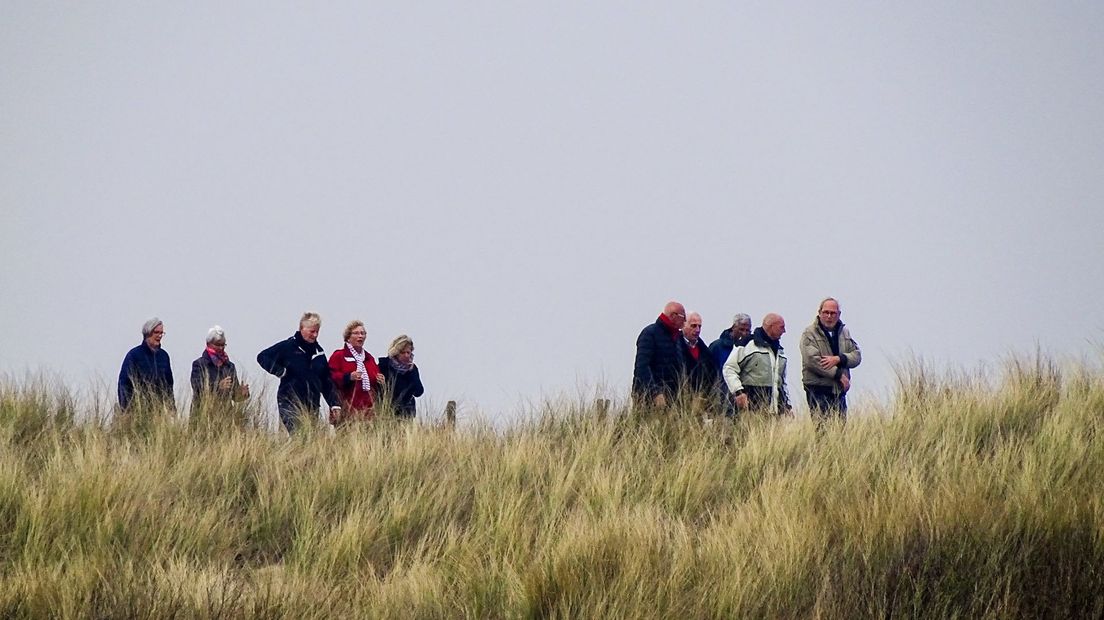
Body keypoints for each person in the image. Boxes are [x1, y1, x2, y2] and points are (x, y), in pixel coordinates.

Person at [257, 312, 343, 432]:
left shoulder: (319, 353)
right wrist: (279, 371)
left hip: (312, 404)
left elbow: (326, 382)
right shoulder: (288, 346)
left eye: (317, 331)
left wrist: (334, 404)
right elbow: (262, 357)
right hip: (289, 401)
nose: (315, 335)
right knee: (297, 433)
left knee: (309, 439)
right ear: (302, 328)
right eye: (312, 331)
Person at [800, 297, 862, 427]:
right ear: (819, 313)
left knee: (839, 430)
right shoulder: (809, 333)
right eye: (826, 312)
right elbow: (812, 360)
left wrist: (839, 359)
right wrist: (839, 375)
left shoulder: (844, 333)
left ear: (839, 314)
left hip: (839, 391)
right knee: (822, 429)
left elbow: (856, 356)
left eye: (833, 313)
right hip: (818, 388)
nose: (829, 316)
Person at [723, 313, 792, 417]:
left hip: (774, 413)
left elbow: (781, 382)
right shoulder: (747, 344)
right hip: (749, 410)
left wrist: (787, 406)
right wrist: (738, 392)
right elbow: (729, 368)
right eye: (781, 327)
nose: (784, 331)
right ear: (771, 326)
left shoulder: (780, 351)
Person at [632, 301, 688, 409]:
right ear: (673, 316)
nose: (685, 321)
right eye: (683, 317)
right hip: (648, 399)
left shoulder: (678, 338)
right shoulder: (650, 334)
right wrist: (655, 393)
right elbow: (642, 368)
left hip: (672, 398)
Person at [189, 325, 250, 424]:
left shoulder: (229, 366)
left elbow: (234, 396)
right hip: (203, 417)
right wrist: (218, 386)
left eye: (223, 345)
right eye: (218, 344)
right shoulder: (199, 364)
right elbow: (197, 388)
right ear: (208, 344)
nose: (221, 348)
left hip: (226, 418)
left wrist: (242, 394)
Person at [328, 320, 385, 423]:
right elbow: (331, 377)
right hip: (346, 408)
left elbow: (375, 378)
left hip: (368, 411)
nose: (360, 336)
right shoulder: (339, 356)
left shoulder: (369, 358)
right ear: (348, 337)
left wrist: (380, 380)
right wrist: (348, 377)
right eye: (356, 333)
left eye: (363, 333)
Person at [117, 317, 174, 412]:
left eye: (161, 333)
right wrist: (126, 408)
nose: (159, 336)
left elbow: (169, 385)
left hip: (157, 411)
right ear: (148, 333)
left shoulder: (164, 356)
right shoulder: (134, 355)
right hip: (137, 409)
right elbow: (124, 383)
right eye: (156, 332)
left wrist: (171, 408)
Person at [708, 313, 752, 416]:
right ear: (733, 328)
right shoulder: (717, 347)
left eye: (747, 330)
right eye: (741, 329)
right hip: (720, 398)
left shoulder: (750, 349)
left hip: (742, 399)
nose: (744, 333)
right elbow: (709, 372)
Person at [682, 311, 722, 415]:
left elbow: (712, 375)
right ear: (683, 325)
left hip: (701, 400)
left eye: (699, 326)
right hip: (680, 399)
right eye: (693, 326)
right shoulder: (675, 347)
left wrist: (706, 396)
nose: (697, 330)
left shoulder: (705, 352)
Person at [377, 334, 424, 418]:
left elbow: (419, 392)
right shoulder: (384, 365)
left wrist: (411, 373)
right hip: (386, 412)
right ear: (396, 352)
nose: (406, 355)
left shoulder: (412, 369)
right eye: (403, 352)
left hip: (406, 413)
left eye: (408, 352)